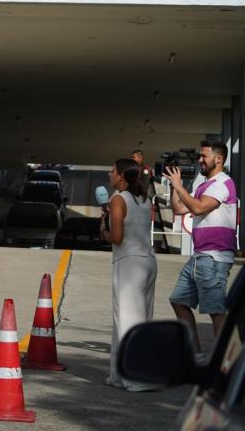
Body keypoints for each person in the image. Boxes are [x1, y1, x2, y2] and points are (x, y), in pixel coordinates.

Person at [165, 140, 237, 355]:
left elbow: (197, 207)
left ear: (218, 159)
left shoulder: (224, 183)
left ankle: (225, 361)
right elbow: (179, 209)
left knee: (216, 310)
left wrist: (179, 187)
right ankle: (195, 355)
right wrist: (175, 184)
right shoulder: (203, 186)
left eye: (203, 156)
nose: (199, 161)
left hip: (214, 258)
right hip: (199, 256)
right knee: (178, 301)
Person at [101, 158, 157, 391]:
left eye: (112, 171)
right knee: (141, 320)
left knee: (125, 320)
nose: (109, 174)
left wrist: (102, 230)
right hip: (148, 260)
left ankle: (135, 379)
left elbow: (116, 237)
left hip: (129, 263)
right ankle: (118, 374)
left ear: (122, 176)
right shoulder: (145, 199)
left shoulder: (117, 199)